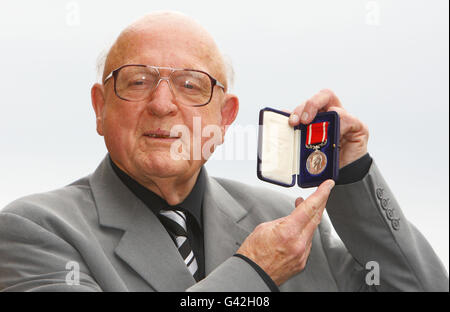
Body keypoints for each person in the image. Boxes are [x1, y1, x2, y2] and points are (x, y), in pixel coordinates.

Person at [0, 11, 447, 292]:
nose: (161, 103)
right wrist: (255, 271)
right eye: (137, 81)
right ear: (100, 108)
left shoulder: (286, 221)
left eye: (190, 85)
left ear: (224, 118)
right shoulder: (33, 230)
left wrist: (353, 178)